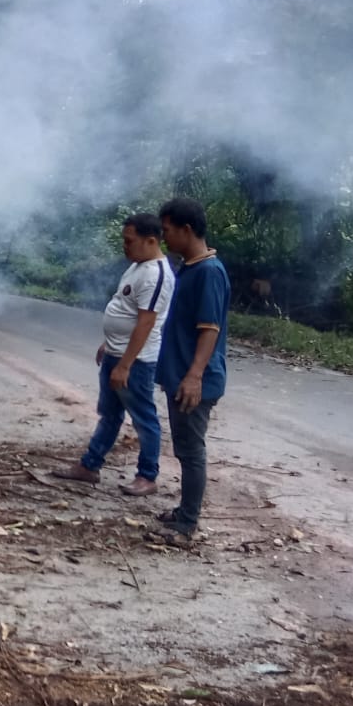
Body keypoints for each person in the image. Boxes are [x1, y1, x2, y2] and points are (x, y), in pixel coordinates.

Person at [53, 214, 175, 495]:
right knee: (109, 414)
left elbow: (147, 322)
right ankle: (89, 466)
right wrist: (109, 343)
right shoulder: (137, 266)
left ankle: (147, 476)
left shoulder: (157, 274)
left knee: (144, 417)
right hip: (116, 354)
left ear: (151, 241)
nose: (125, 245)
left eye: (129, 240)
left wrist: (125, 364)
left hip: (136, 361)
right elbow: (124, 308)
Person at [152, 197, 230, 546]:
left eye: (167, 231)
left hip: (194, 380)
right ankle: (185, 512)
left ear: (186, 230)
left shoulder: (209, 273)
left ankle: (188, 525)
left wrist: (194, 375)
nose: (164, 237)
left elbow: (209, 328)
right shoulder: (190, 267)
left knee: (191, 449)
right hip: (181, 376)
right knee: (185, 447)